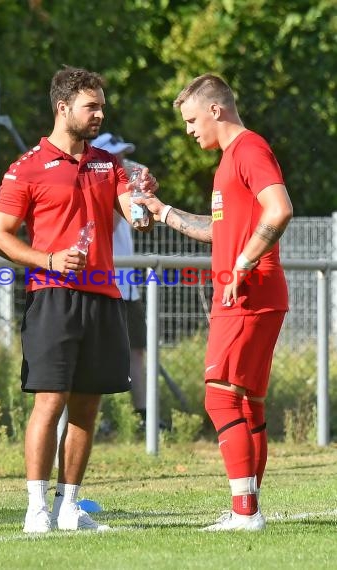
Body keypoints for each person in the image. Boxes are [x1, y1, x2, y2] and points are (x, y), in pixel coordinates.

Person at [0, 66, 157, 533]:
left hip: (105, 297)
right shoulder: (26, 168)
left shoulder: (109, 164)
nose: (100, 114)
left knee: (88, 405)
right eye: (92, 106)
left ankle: (69, 508)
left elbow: (132, 212)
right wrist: (47, 259)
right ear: (63, 108)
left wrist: (142, 205)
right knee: (50, 401)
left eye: (102, 105)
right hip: (53, 296)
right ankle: (36, 509)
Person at [137, 73, 293, 531]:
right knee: (247, 404)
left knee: (219, 399)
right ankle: (250, 507)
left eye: (191, 120)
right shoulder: (230, 160)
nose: (188, 130)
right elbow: (221, 228)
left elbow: (280, 209)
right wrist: (162, 210)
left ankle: (245, 514)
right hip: (255, 290)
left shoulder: (248, 149)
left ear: (216, 110)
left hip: (246, 289)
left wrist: (242, 262)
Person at [90, 133, 148, 428]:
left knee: (136, 350)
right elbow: (107, 225)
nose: (121, 161)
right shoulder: (95, 185)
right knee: (97, 353)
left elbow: (140, 224)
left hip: (127, 285)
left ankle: (143, 418)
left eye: (123, 155)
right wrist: (123, 193)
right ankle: (96, 418)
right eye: (115, 156)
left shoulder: (124, 182)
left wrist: (140, 194)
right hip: (101, 282)